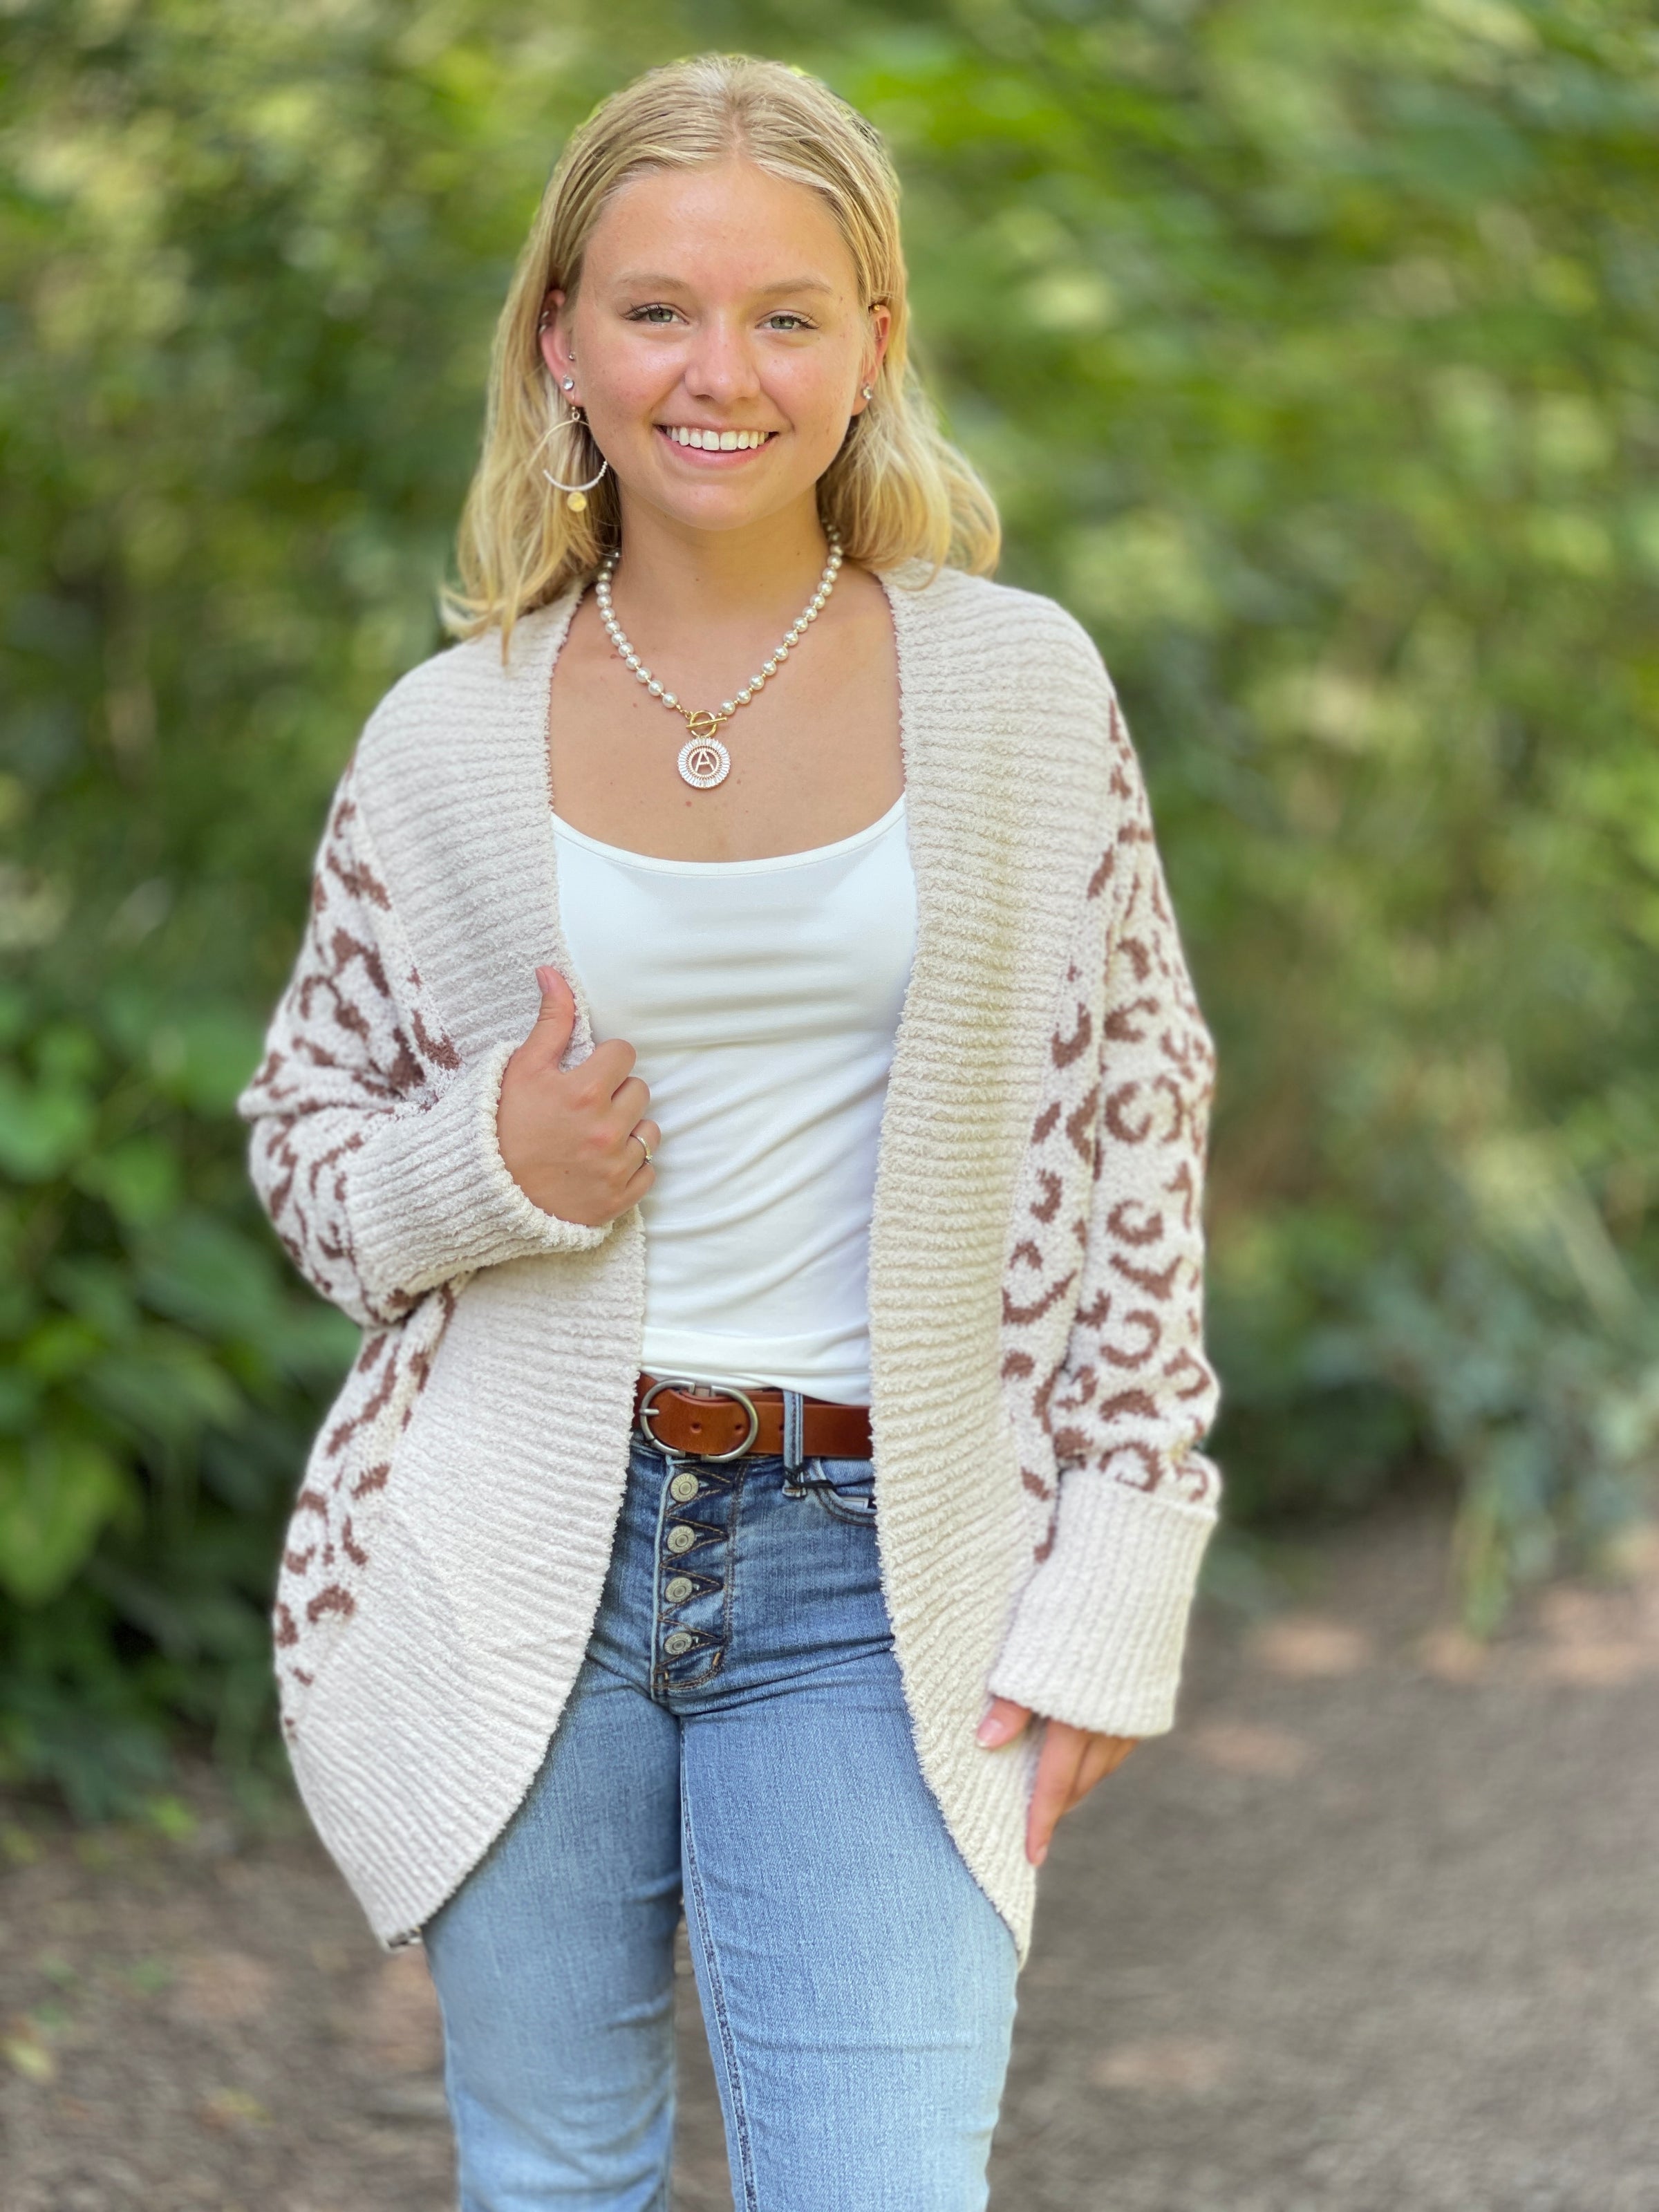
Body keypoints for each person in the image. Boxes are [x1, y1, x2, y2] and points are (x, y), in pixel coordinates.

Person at [239, 50, 1223, 2212]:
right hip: (523, 1553)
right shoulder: (443, 739)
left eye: (787, 315)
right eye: (659, 310)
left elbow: (1141, 1130)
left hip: (885, 1567)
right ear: (560, 342)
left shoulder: (1019, 690)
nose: (721, 373)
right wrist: (491, 1162)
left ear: (874, 346)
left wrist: (1119, 1574)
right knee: (550, 2177)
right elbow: (308, 1153)